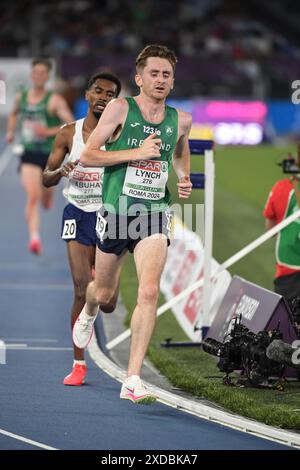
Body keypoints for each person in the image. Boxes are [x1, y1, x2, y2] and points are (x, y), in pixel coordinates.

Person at [73, 44, 193, 404]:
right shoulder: (120, 108)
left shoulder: (181, 119)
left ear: (173, 81)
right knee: (105, 294)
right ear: (139, 78)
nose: (160, 80)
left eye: (166, 75)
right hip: (115, 212)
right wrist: (136, 153)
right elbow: (89, 155)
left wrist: (184, 175)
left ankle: (133, 378)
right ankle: (90, 309)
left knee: (148, 291)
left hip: (154, 212)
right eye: (153, 74)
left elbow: (181, 148)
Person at [42, 72, 121, 386]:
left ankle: (96, 286)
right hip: (77, 213)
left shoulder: (119, 134)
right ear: (87, 95)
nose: (103, 97)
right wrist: (61, 170)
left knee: (109, 302)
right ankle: (78, 364)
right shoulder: (67, 134)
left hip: (109, 216)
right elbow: (45, 178)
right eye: (98, 91)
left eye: (110, 94)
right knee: (78, 289)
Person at [5, 58, 74, 255]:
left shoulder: (54, 100)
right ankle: (34, 237)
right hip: (28, 153)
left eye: (43, 73)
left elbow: (70, 125)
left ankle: (48, 195)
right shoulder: (22, 97)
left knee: (45, 197)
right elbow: (13, 113)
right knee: (32, 196)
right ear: (31, 74)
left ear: (47, 76)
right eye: (36, 72)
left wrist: (48, 131)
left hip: (50, 156)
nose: (39, 76)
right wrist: (10, 132)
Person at [263, 151, 300, 300]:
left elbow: (270, 229)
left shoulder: (281, 188)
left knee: (287, 322)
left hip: (288, 273)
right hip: (289, 271)